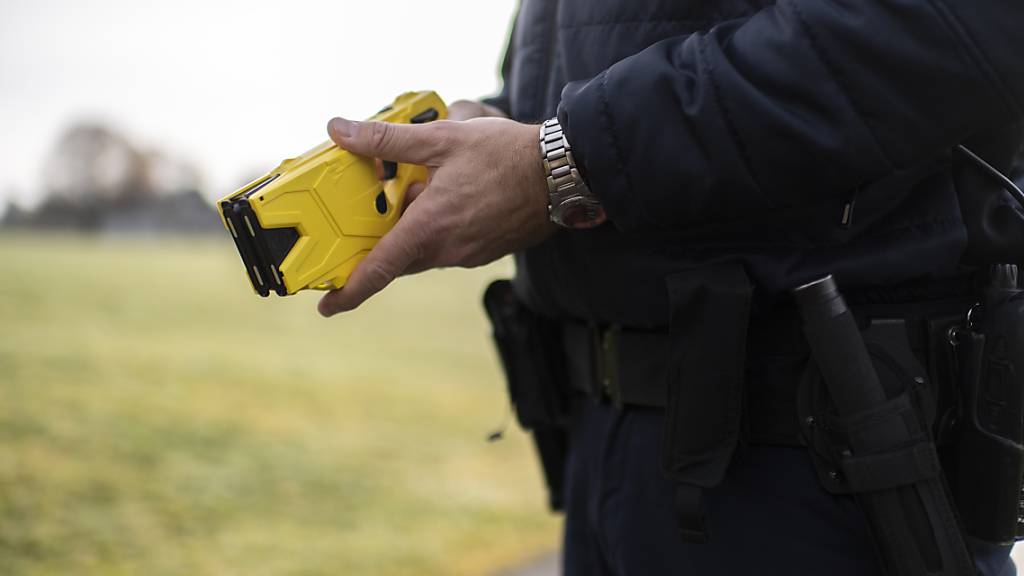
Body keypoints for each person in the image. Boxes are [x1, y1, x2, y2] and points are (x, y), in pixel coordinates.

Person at [318, 1, 1024, 574]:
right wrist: (510, 129)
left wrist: (562, 163)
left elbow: (942, 28)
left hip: (824, 464)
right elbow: (606, 66)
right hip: (622, 455)